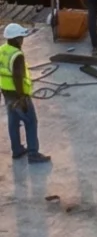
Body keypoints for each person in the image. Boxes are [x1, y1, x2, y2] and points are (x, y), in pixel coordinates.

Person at [1, 21, 47, 164]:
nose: (23, 39)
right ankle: (33, 153)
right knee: (31, 122)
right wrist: (22, 97)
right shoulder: (17, 55)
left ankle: (17, 150)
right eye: (21, 37)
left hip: (6, 93)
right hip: (18, 94)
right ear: (16, 39)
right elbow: (17, 77)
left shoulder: (2, 49)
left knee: (13, 122)